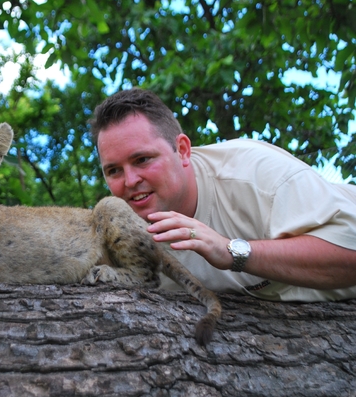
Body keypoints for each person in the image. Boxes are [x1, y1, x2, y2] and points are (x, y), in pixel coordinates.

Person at [91, 88, 356, 301]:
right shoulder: (118, 238)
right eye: (113, 170)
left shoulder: (254, 175)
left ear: (182, 150)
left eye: (143, 159)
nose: (130, 180)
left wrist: (232, 251)